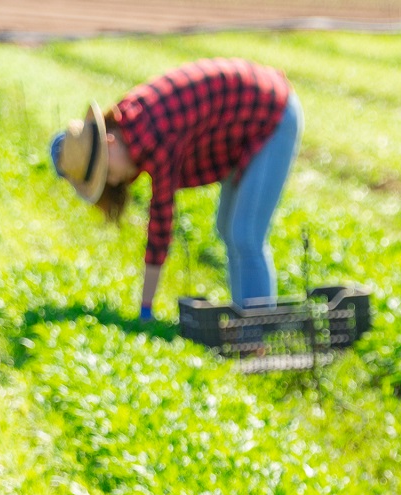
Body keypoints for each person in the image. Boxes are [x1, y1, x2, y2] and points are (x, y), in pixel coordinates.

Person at [50, 59, 300, 322]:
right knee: (228, 228)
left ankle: (259, 328)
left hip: (272, 113)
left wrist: (146, 308)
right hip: (245, 117)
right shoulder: (130, 121)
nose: (117, 181)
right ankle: (247, 323)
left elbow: (161, 226)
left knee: (246, 234)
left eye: (108, 173)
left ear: (110, 142)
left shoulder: (153, 135)